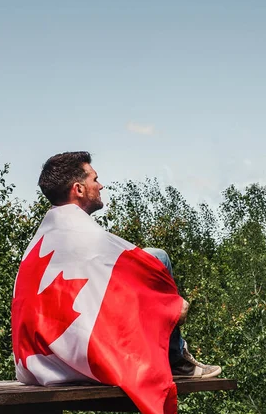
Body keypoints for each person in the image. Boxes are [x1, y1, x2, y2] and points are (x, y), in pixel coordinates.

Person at [35, 151, 220, 378]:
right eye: (94, 179)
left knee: (149, 261)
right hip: (80, 351)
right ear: (79, 189)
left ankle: (173, 355)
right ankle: (175, 359)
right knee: (157, 258)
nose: (101, 186)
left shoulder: (49, 232)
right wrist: (167, 304)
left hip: (44, 358)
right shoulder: (82, 234)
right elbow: (127, 268)